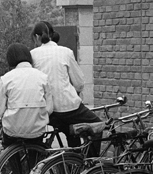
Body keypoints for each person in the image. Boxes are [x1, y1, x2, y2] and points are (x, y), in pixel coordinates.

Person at [30, 21, 101, 156]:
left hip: (47, 110)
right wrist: (76, 92)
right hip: (68, 107)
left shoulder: (32, 54)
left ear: (37, 37)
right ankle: (89, 164)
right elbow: (79, 83)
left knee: (69, 131)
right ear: (52, 35)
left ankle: (69, 164)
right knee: (97, 126)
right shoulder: (66, 52)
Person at [0, 43, 53, 147]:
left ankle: (12, 162)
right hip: (37, 129)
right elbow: (50, 108)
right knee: (35, 151)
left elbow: (0, 111)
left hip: (12, 129)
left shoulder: (6, 78)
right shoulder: (43, 77)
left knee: (8, 148)